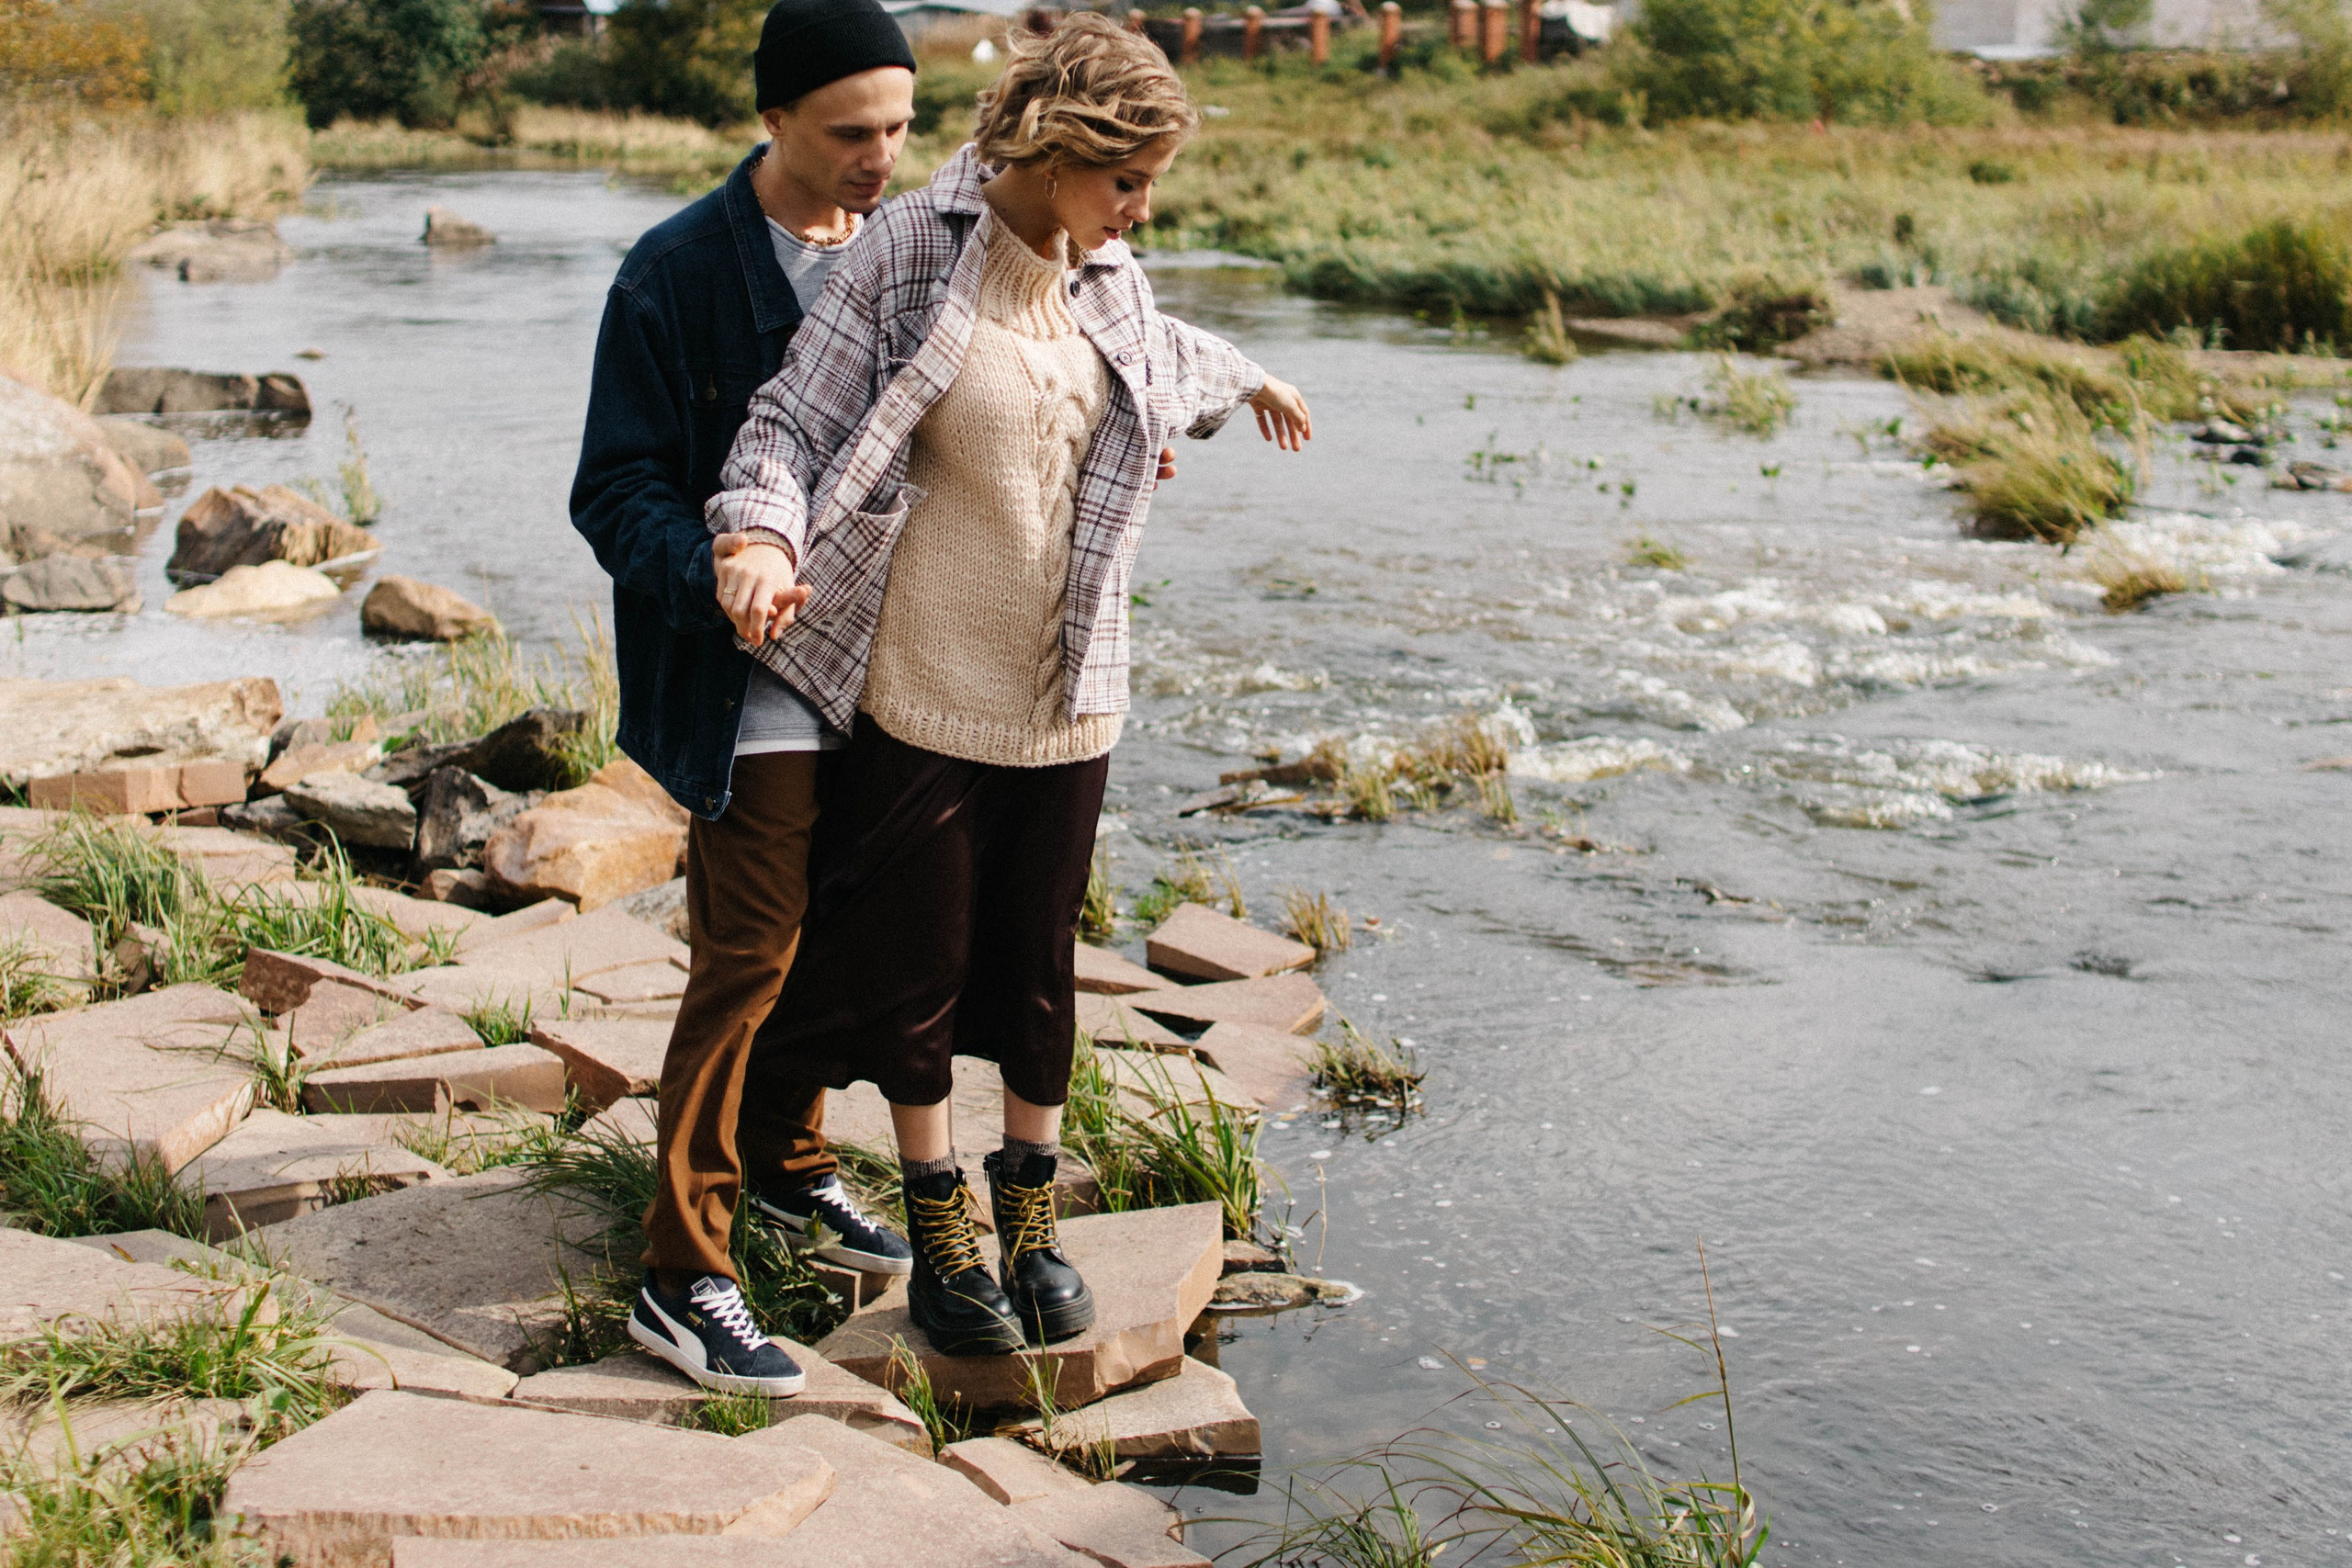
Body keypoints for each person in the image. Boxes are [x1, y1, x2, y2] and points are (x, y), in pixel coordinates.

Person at [705, 16, 1314, 1357]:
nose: (1140, 212)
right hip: (925, 681)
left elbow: (1164, 360)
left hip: (1069, 693)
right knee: (920, 973)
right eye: (1126, 182)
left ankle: (1029, 1220)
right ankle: (939, 1227)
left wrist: (1251, 374)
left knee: (1040, 973)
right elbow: (784, 426)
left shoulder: (1112, 276)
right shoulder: (907, 259)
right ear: (1054, 158)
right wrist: (754, 536)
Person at [569, 0, 922, 1397]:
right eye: (850, 133)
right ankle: (683, 1275)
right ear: (772, 119)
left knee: (845, 938)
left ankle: (787, 1163)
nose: (880, 158)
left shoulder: (909, 255)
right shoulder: (670, 276)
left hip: (894, 667)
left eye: (899, 128)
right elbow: (612, 488)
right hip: (740, 677)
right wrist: (714, 569)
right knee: (749, 959)